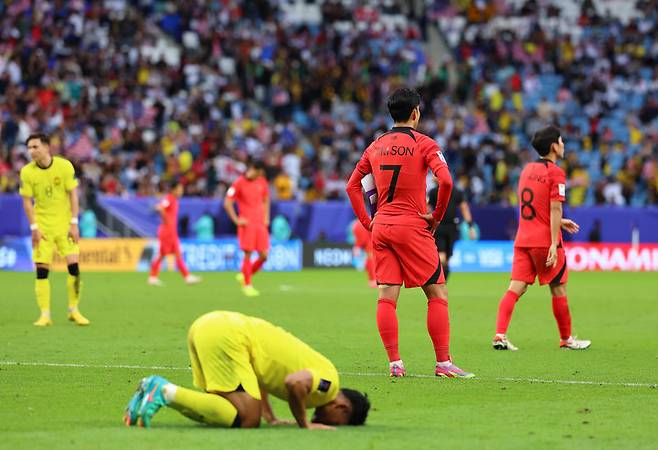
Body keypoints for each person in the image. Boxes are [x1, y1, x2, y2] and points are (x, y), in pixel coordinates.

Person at [345, 88, 474, 378]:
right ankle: (443, 363)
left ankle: (395, 364)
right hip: (412, 225)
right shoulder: (425, 144)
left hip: (381, 227)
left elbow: (352, 186)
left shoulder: (375, 146)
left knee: (387, 296)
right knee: (437, 292)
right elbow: (446, 182)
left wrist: (368, 223)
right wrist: (437, 216)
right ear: (415, 113)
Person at [123, 311, 370, 429]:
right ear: (342, 408)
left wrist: (270, 416)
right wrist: (304, 424)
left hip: (209, 325)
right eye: (340, 423)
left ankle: (151, 395)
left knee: (231, 411)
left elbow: (258, 377)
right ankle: (163, 390)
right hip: (229, 335)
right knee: (248, 419)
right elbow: (295, 382)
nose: (325, 421)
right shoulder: (329, 385)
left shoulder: (320, 374)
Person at [492, 125, 591, 351]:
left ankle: (500, 335)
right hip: (544, 241)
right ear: (554, 146)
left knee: (515, 288)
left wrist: (557, 222)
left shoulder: (526, 170)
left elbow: (535, 205)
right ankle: (566, 339)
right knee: (558, 289)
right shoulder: (556, 172)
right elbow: (555, 209)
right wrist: (554, 243)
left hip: (523, 238)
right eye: (562, 141)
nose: (564, 145)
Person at [19, 133, 89, 326]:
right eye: (29, 148)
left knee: (74, 267)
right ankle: (45, 314)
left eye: (35, 147)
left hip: (65, 225)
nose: (31, 151)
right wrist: (34, 227)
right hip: (43, 226)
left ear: (46, 147)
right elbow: (26, 202)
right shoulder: (27, 172)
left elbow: (74, 195)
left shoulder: (64, 166)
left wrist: (74, 223)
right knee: (42, 270)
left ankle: (74, 310)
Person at [224, 160, 270, 297]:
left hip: (260, 224)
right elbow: (227, 203)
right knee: (248, 253)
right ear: (254, 170)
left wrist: (266, 216)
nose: (261, 175)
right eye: (259, 172)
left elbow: (266, 199)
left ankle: (245, 274)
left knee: (264, 255)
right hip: (247, 224)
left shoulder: (261, 181)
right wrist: (236, 220)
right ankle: (247, 285)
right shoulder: (238, 183)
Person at [148, 180, 201, 286]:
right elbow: (161, 207)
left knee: (171, 254)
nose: (181, 191)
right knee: (165, 254)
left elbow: (160, 207)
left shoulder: (173, 200)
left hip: (170, 231)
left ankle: (185, 276)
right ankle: (154, 277)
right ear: (174, 190)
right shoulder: (169, 199)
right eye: (180, 189)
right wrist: (166, 221)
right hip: (167, 231)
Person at [427, 184, 477, 280]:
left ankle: (441, 281)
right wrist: (470, 226)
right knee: (443, 257)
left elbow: (427, 209)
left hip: (443, 226)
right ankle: (441, 282)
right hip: (445, 227)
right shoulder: (454, 191)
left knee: (444, 258)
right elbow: (464, 208)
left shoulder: (436, 191)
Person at [351, 220, 376, 288]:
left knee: (370, 260)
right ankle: (374, 280)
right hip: (376, 243)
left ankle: (373, 280)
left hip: (371, 245)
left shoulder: (358, 225)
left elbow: (362, 239)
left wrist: (357, 246)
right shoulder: (373, 219)